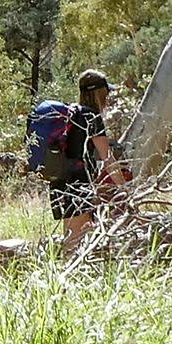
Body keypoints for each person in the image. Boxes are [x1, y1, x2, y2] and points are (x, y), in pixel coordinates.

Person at [45, 69, 124, 247]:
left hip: (59, 182)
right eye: (106, 92)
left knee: (77, 236)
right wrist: (125, 189)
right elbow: (107, 158)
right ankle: (67, 273)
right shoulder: (90, 117)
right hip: (77, 183)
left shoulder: (71, 115)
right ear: (99, 92)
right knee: (75, 242)